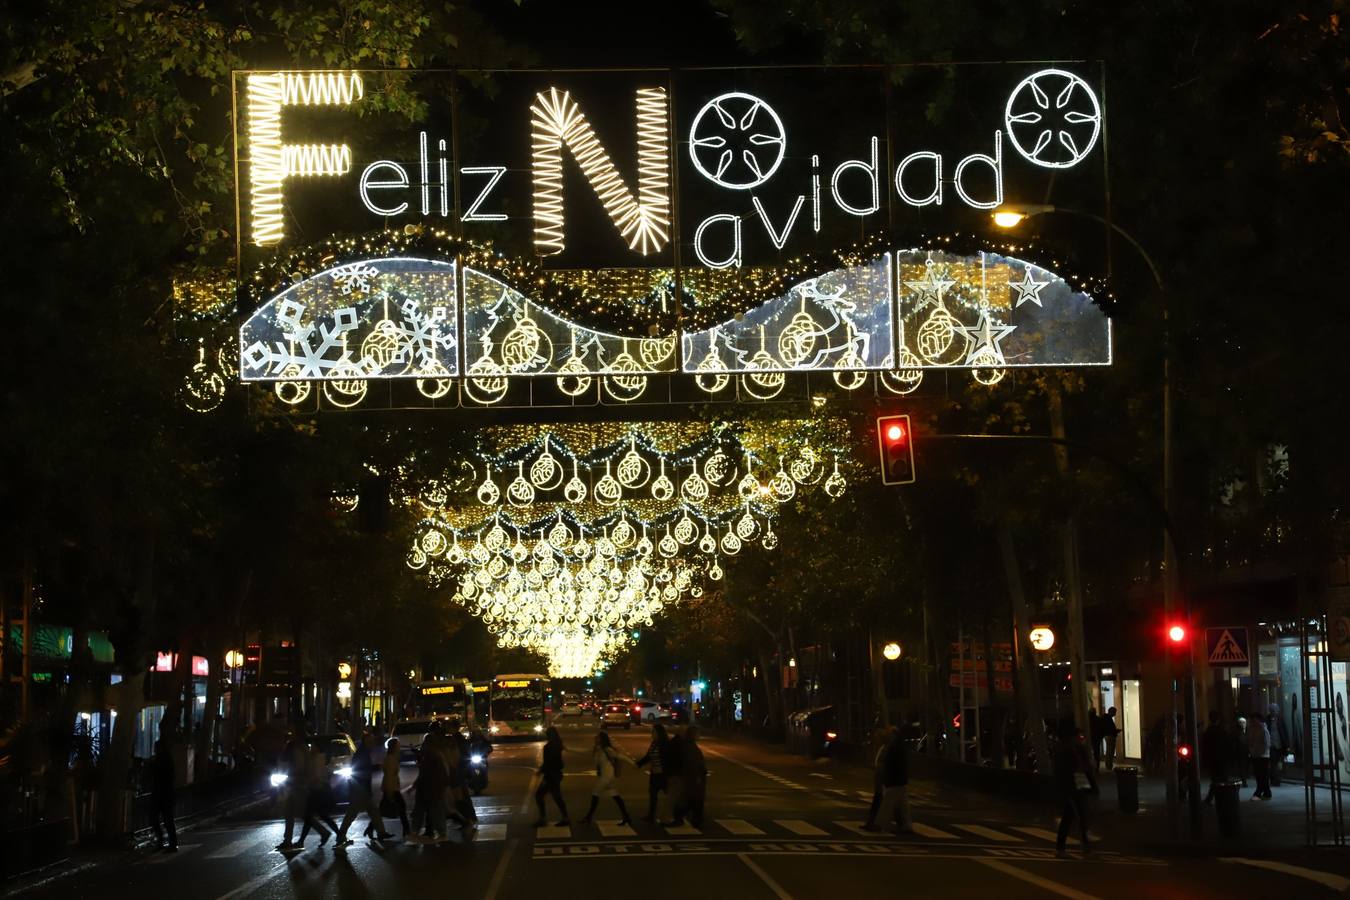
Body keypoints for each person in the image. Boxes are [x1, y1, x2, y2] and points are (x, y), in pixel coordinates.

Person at [335, 732, 394, 846]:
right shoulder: (362, 754)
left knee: (372, 811)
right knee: (353, 813)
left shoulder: (362, 753)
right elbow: (362, 771)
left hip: (360, 788)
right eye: (371, 742)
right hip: (360, 789)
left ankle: (381, 832)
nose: (373, 744)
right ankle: (341, 835)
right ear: (367, 742)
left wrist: (374, 768)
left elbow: (362, 769)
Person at [1052, 720, 1097, 858]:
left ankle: (1081, 846)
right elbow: (1078, 769)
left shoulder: (1071, 748)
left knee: (1079, 814)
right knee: (1074, 815)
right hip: (1072, 785)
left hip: (1075, 783)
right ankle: (1072, 847)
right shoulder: (1068, 750)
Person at [579, 730, 632, 826]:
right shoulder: (596, 749)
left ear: (602, 739)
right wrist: (567, 749)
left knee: (595, 794)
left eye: (598, 737)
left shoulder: (607, 750)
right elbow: (583, 751)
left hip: (607, 776)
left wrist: (634, 764)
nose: (596, 738)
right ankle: (626, 816)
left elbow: (620, 756)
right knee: (616, 797)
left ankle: (588, 817)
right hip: (605, 776)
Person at [297, 744, 341, 846]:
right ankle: (339, 834)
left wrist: (308, 782)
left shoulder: (318, 760)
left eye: (313, 747)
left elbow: (318, 777)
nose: (311, 749)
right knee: (318, 816)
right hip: (315, 791)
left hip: (318, 792)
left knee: (311, 817)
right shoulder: (313, 760)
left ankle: (301, 841)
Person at [874, 727, 912, 834]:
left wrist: (887, 778)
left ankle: (882, 824)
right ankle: (906, 826)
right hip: (899, 780)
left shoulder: (893, 747)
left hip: (894, 780)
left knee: (888, 803)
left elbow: (891, 765)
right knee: (903, 805)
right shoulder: (899, 746)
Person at [534, 726, 570, 827]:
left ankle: (543, 818)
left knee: (539, 795)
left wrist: (541, 771)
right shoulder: (558, 745)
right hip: (557, 774)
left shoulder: (548, 747)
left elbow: (547, 762)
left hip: (550, 775)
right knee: (557, 796)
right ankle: (564, 817)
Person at [276, 734, 307, 849]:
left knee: (301, 813)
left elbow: (297, 769)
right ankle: (287, 839)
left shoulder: (295, 751)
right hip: (292, 786)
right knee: (291, 814)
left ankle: (323, 832)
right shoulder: (291, 751)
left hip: (295, 786)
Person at [861, 726, 895, 831]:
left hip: (882, 782)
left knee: (880, 803)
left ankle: (875, 823)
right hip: (880, 781)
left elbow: (884, 764)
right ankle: (873, 823)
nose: (876, 739)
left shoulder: (887, 748)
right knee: (880, 803)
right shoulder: (883, 748)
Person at [148, 739, 178, 852]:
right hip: (162, 793)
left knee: (166, 819)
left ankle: (169, 842)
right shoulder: (162, 759)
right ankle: (166, 842)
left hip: (163, 793)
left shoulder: (164, 760)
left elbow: (162, 775)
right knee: (161, 819)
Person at [636, 722, 669, 822]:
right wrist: (639, 763)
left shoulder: (665, 744)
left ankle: (677, 814)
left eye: (654, 732)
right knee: (653, 795)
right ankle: (651, 815)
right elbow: (648, 756)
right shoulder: (653, 743)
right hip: (654, 774)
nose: (652, 734)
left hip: (664, 774)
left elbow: (669, 759)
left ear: (659, 733)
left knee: (670, 795)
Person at [677, 727, 707, 828]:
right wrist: (698, 776)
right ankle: (694, 819)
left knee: (693, 800)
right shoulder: (690, 747)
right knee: (695, 800)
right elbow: (693, 763)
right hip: (694, 778)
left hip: (692, 777)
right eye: (697, 733)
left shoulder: (688, 746)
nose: (699, 736)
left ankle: (694, 818)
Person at [381, 737, 411, 838]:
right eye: (398, 745)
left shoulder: (392, 758)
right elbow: (389, 776)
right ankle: (407, 830)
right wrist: (390, 791)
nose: (399, 747)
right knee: (401, 807)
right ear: (393, 747)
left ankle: (372, 827)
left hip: (391, 787)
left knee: (383, 809)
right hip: (391, 788)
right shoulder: (390, 760)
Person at [1201, 711, 1232, 805]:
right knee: (1222, 779)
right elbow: (1227, 745)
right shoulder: (1222, 731)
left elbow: (1205, 746)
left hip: (1212, 759)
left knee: (1215, 779)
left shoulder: (1208, 731)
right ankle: (1222, 798)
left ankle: (1211, 798)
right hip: (1222, 759)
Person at [1247, 713, 1272, 800]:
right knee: (1259, 775)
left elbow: (1267, 743)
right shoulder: (1253, 729)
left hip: (1263, 756)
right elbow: (1251, 741)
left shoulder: (1263, 730)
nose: (1252, 722)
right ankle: (1264, 792)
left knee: (1263, 775)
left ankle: (1262, 792)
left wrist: (1259, 752)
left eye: (1254, 720)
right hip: (1256, 755)